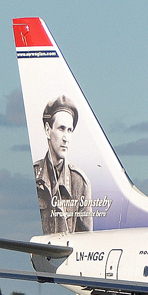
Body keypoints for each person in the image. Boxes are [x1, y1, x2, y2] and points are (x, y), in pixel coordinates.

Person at [34, 95, 92, 234]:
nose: (66, 138)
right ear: (48, 130)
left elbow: (86, 239)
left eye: (69, 130)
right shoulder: (34, 175)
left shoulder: (80, 182)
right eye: (61, 128)